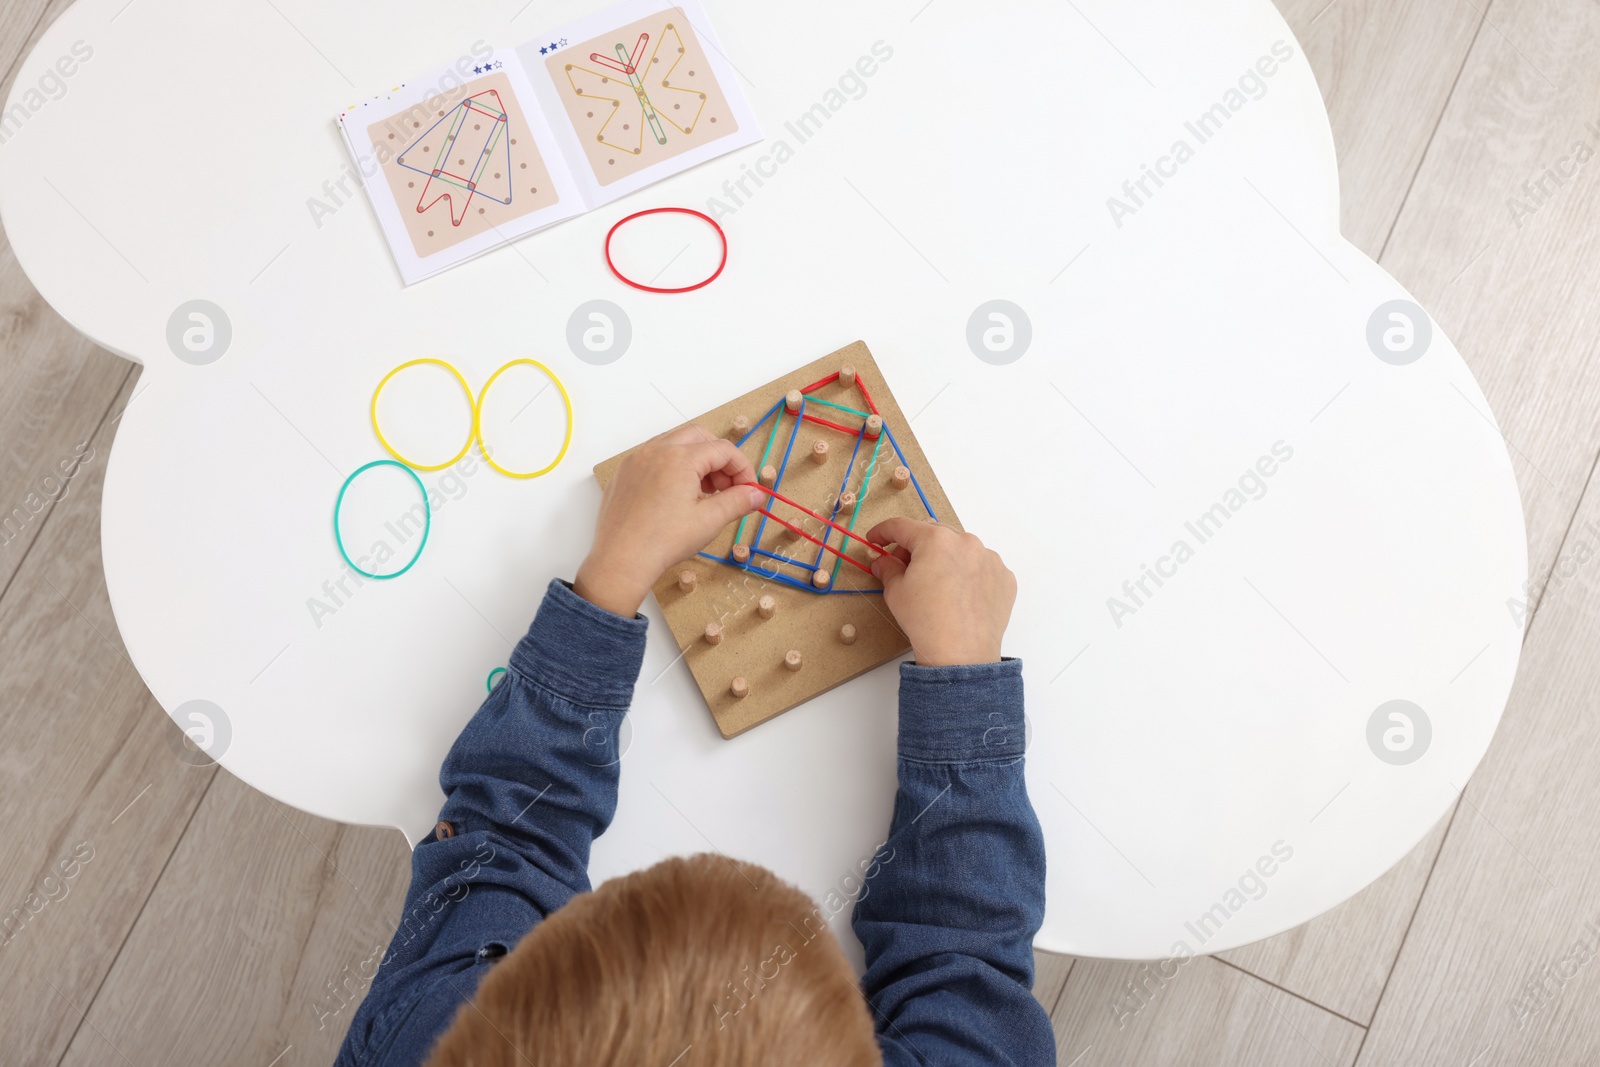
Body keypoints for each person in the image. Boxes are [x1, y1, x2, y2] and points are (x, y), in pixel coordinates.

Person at [334, 425, 1054, 1066]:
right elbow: (964, 970)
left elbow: (502, 847)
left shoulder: (438, 1035)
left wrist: (610, 577)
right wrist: (966, 679)